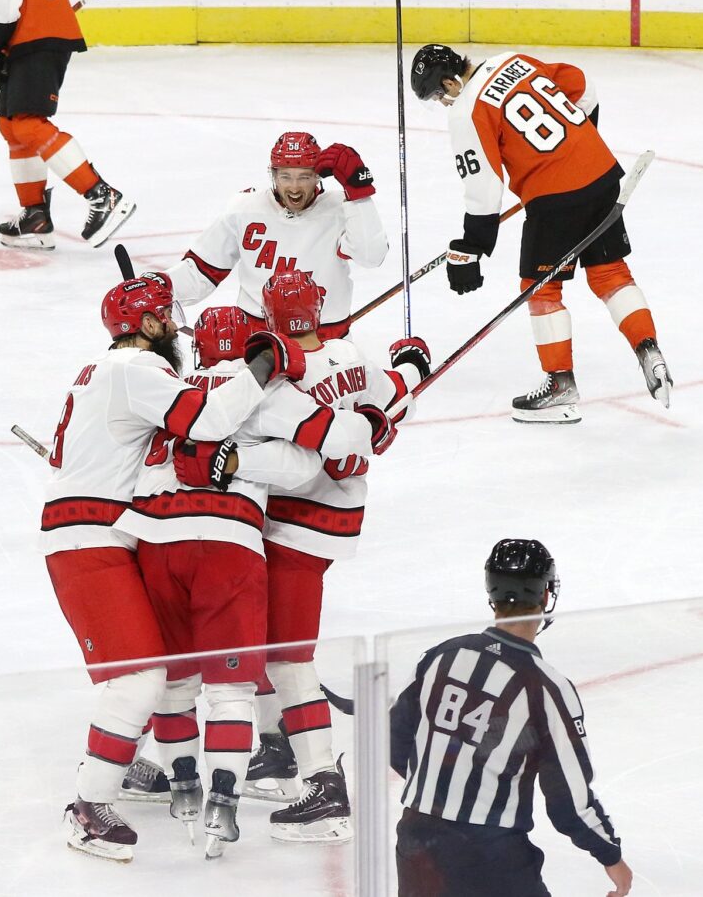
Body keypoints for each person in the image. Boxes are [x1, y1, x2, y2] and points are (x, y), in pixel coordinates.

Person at [112, 302, 394, 858]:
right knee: (254, 671)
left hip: (162, 536)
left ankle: (196, 776)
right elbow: (327, 452)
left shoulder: (173, 386)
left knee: (184, 672)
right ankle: (304, 779)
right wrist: (374, 423)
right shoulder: (271, 385)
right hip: (255, 539)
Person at [39, 275, 297, 863]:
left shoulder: (107, 373)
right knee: (138, 679)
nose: (177, 328)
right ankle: (86, 805)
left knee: (143, 672)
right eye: (168, 319)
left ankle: (122, 763)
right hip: (92, 540)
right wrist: (262, 364)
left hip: (108, 534)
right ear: (150, 325)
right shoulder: (139, 372)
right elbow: (206, 420)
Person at [243, 270, 429, 844]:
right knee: (271, 645)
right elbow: (398, 401)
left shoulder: (279, 381)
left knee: (286, 656)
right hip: (336, 521)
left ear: (269, 317)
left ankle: (324, 788)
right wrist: (414, 365)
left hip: (291, 526)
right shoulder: (350, 355)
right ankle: (277, 751)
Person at [410, 44, 672, 423]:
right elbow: (582, 87)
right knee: (610, 273)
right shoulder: (512, 60)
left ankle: (561, 388)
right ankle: (650, 351)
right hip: (600, 175)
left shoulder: (467, 110)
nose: (444, 103)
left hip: (555, 199)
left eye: (439, 95)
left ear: (451, 82)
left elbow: (483, 186)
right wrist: (573, 149)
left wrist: (472, 247)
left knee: (540, 287)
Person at [389, 539, 633, 897]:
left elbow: (395, 740)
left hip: (414, 841)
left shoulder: (441, 656)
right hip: (489, 854)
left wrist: (442, 794)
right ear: (546, 596)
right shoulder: (545, 687)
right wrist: (611, 856)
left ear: (493, 595)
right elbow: (568, 800)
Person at [144, 131, 388, 339]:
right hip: (256, 340)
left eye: (304, 176)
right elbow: (202, 271)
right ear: (272, 175)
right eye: (285, 177)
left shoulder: (340, 208)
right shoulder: (246, 207)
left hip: (324, 341)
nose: (294, 187)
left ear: (317, 176)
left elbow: (371, 256)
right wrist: (158, 289)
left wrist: (359, 193)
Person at [0, 0, 135, 251]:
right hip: (31, 34)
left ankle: (103, 196)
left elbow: (5, 9)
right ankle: (34, 215)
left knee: (28, 124)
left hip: (38, 35)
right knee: (11, 124)